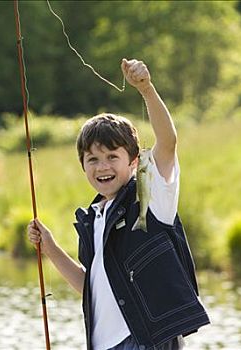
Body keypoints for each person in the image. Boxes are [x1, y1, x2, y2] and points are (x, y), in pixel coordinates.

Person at [27, 59, 209, 350]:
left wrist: (146, 89)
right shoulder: (94, 218)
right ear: (83, 165)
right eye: (93, 160)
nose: (102, 167)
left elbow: (168, 141)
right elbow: (92, 289)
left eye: (112, 157)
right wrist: (50, 248)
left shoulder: (150, 199)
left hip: (145, 341)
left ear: (134, 161)